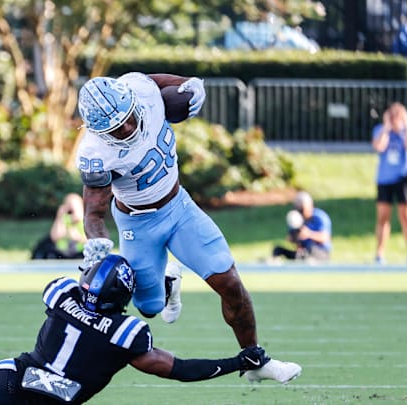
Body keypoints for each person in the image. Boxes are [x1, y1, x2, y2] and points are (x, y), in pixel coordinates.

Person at [74, 72, 300, 383]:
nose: (126, 128)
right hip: (136, 224)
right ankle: (169, 282)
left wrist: (189, 82)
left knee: (230, 283)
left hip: (180, 209)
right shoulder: (94, 153)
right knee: (149, 307)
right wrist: (98, 243)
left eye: (127, 119)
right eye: (115, 128)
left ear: (132, 103)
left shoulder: (140, 91)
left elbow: (153, 81)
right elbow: (94, 213)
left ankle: (255, 360)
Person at [0, 255, 297, 405]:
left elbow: (76, 288)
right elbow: (179, 369)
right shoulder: (127, 335)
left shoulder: (61, 294)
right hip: (52, 403)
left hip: (6, 385)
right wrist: (235, 361)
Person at [372, 102, 407, 265]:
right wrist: (387, 128)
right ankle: (379, 254)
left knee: (406, 217)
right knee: (383, 217)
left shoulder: (405, 132)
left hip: (403, 178)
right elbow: (379, 146)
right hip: (384, 179)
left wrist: (406, 125)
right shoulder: (381, 130)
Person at [271, 191, 332, 263]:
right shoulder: (297, 218)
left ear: (310, 205)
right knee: (278, 249)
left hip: (320, 252)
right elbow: (294, 240)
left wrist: (309, 234)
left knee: (311, 250)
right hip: (302, 253)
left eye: (302, 209)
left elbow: (325, 238)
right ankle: (272, 262)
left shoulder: (319, 217)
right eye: (298, 209)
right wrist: (293, 238)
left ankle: (308, 260)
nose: (300, 212)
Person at [31, 193, 87, 259]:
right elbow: (54, 237)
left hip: (80, 253)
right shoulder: (64, 219)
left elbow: (90, 241)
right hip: (62, 253)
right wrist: (60, 216)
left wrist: (78, 237)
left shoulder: (85, 221)